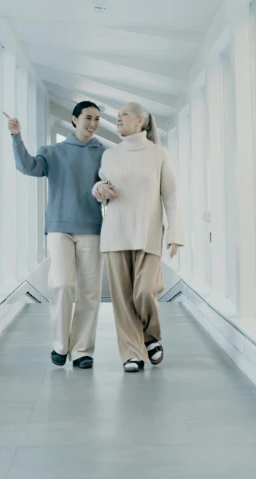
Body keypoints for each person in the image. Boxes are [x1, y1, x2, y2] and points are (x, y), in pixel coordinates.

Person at [7, 101, 104, 369]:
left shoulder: (104, 154)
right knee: (62, 284)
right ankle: (61, 345)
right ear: (74, 119)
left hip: (93, 228)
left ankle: (83, 350)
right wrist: (16, 136)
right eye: (88, 118)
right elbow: (29, 167)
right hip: (59, 228)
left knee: (90, 292)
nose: (93, 124)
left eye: (97, 119)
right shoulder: (53, 151)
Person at [92, 103, 183, 372]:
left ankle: (150, 336)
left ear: (142, 121)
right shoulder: (110, 154)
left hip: (148, 233)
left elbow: (171, 194)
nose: (118, 118)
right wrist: (100, 189)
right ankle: (131, 352)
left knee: (144, 291)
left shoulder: (158, 154)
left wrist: (175, 233)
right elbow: (99, 185)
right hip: (115, 233)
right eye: (118, 115)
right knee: (121, 299)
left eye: (125, 114)